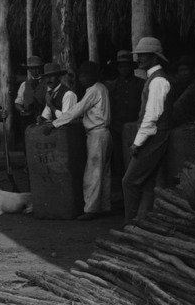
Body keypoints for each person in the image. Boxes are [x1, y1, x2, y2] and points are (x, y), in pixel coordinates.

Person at [45, 61, 112, 220]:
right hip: (104, 133)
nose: (81, 79)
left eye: (84, 75)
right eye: (80, 75)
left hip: (96, 134)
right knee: (104, 172)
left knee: (93, 173)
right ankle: (104, 205)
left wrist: (55, 124)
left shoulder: (94, 90)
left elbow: (77, 109)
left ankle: (90, 209)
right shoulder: (101, 88)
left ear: (92, 76)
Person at [122, 37, 175, 224]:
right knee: (147, 182)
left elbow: (152, 116)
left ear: (155, 57)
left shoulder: (158, 81)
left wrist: (138, 142)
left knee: (129, 182)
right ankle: (142, 223)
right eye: (139, 55)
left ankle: (131, 224)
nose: (139, 59)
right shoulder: (152, 79)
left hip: (155, 136)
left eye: (144, 55)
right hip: (154, 135)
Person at [105, 49, 144, 203]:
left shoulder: (141, 84)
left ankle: (137, 198)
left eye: (126, 66)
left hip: (136, 129)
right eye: (120, 66)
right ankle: (124, 199)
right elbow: (111, 109)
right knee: (120, 164)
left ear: (131, 67)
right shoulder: (112, 86)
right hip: (117, 130)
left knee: (137, 163)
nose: (123, 69)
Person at [14, 56, 48, 143]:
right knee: (28, 143)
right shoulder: (24, 84)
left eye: (37, 68)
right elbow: (18, 102)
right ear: (29, 70)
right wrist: (22, 110)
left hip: (44, 119)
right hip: (28, 119)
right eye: (32, 69)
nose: (35, 71)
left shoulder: (47, 83)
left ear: (41, 68)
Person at [170, 55, 195, 124]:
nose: (184, 73)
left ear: (193, 70)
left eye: (186, 70)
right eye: (181, 70)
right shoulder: (177, 84)